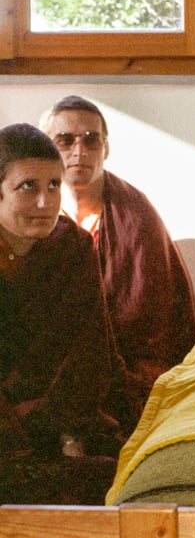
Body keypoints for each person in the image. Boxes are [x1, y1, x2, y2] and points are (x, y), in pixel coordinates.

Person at [40, 96, 195, 419]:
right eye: (65, 140)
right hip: (51, 361)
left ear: (106, 149)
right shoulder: (34, 210)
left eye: (91, 140)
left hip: (127, 365)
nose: (79, 151)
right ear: (48, 148)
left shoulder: (136, 214)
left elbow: (157, 323)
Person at [0, 124, 127, 504]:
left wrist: (65, 432)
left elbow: (90, 354)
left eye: (54, 186)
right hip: (7, 424)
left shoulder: (72, 248)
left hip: (58, 418)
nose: (45, 202)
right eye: (28, 187)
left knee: (107, 481)